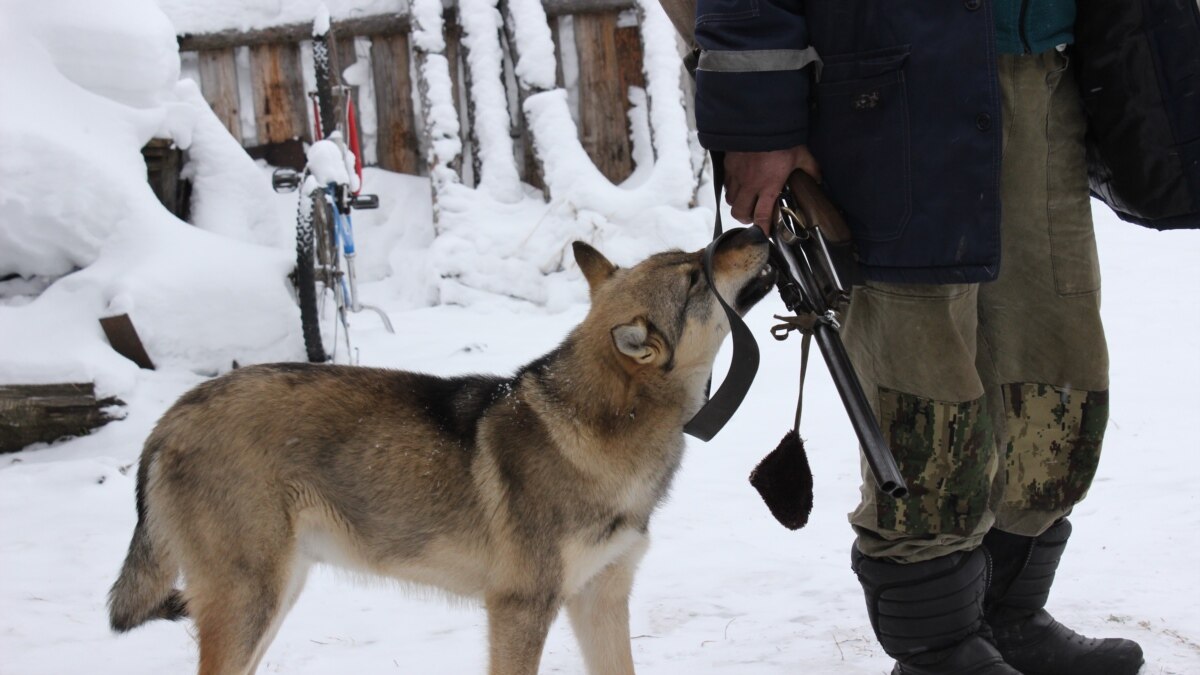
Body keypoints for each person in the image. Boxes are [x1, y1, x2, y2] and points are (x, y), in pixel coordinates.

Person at [687, 2, 1174, 674]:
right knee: (923, 394)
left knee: (1056, 374)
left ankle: (1007, 619)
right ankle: (939, 647)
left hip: (1045, 71)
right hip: (890, 88)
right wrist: (757, 117)